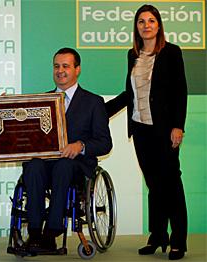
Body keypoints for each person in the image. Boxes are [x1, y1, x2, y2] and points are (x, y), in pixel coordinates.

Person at [0, 47, 112, 255]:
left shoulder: (93, 102)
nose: (60, 70)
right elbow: (17, 130)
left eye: (66, 66)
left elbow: (105, 143)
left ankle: (52, 231)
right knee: (34, 166)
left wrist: (80, 146)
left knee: (63, 166)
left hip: (76, 166)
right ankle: (35, 232)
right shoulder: (40, 102)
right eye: (56, 66)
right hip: (45, 164)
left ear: (77, 69)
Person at [106, 5, 188, 260]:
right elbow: (129, 94)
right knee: (154, 184)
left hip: (164, 130)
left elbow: (179, 91)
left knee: (171, 183)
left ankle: (178, 241)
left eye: (151, 20)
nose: (146, 25)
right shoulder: (133, 54)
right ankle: (157, 236)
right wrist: (100, 111)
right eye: (141, 21)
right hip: (140, 129)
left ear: (159, 25)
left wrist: (178, 126)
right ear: (137, 27)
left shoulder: (171, 52)